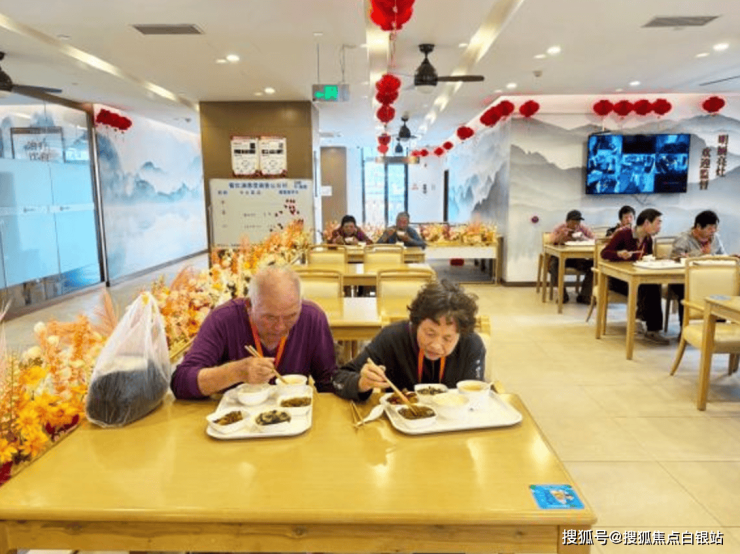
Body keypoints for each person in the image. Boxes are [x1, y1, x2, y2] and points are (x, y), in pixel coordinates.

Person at [171, 265, 337, 399]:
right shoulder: (223, 320)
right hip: (238, 420)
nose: (280, 327)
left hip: (295, 418)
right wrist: (236, 372)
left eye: (290, 316)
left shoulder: (312, 317)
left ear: (300, 304)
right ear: (249, 306)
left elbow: (329, 383)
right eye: (270, 317)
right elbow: (181, 382)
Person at [332, 280, 485, 401]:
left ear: (461, 334)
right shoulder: (392, 338)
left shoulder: (471, 345)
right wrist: (360, 383)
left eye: (447, 338)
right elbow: (339, 378)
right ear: (416, 323)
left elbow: (477, 397)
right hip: (401, 423)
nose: (436, 345)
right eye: (430, 333)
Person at [601, 208, 669, 345]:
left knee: (652, 285)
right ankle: (646, 324)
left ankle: (649, 326)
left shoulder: (648, 239)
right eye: (658, 222)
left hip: (636, 276)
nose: (660, 226)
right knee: (648, 287)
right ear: (646, 223)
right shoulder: (623, 234)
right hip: (618, 279)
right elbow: (604, 253)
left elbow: (646, 258)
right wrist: (619, 254)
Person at [668, 210, 727, 326]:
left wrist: (729, 257)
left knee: (723, 289)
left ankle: (718, 328)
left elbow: (723, 256)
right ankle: (684, 329)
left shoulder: (716, 238)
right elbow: (674, 259)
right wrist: (700, 254)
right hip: (683, 279)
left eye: (715, 227)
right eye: (710, 228)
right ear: (699, 227)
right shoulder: (683, 238)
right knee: (686, 290)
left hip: (710, 278)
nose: (713, 231)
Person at [548, 209, 594, 304]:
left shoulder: (583, 228)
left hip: (578, 258)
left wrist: (583, 238)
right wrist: (561, 236)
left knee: (593, 266)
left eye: (578, 221)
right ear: (567, 221)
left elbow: (594, 240)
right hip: (561, 257)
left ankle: (585, 296)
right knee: (553, 266)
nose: (576, 224)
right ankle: (562, 295)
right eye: (573, 222)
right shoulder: (560, 227)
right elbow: (551, 240)